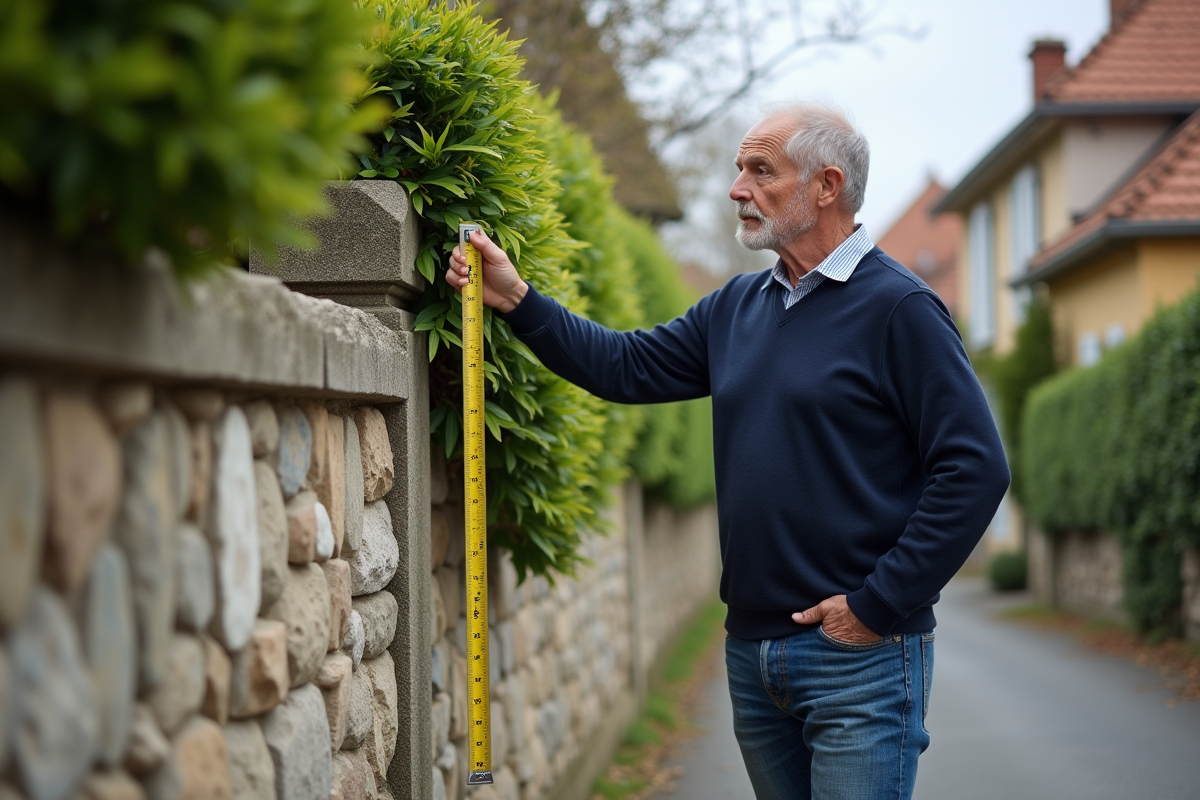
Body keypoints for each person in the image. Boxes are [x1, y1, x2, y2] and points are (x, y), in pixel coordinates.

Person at [445, 101, 1009, 800]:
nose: (737, 188)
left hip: (861, 660)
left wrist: (879, 603)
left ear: (826, 186)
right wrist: (519, 299)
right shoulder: (736, 307)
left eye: (760, 170)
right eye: (739, 169)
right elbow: (623, 367)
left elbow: (976, 468)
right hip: (752, 657)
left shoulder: (901, 310)